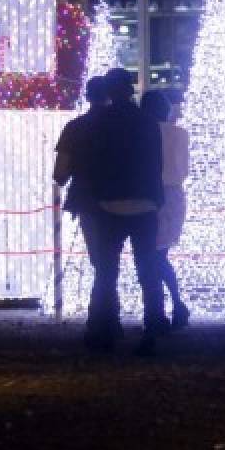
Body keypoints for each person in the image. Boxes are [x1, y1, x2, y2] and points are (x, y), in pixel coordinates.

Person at [90, 67, 166, 355]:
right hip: (144, 203)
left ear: (109, 91)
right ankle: (151, 330)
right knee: (148, 269)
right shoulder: (147, 122)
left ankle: (105, 329)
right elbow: (155, 163)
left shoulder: (102, 122)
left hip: (109, 203)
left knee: (107, 271)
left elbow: (96, 162)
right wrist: (156, 199)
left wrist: (97, 195)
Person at [52, 77, 109, 342]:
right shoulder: (120, 126)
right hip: (125, 197)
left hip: (88, 199)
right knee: (113, 260)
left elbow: (60, 173)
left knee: (101, 261)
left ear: (88, 97)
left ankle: (100, 319)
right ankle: (110, 317)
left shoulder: (75, 128)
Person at [141, 89, 190, 329]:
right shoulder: (180, 134)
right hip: (176, 195)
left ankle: (171, 306)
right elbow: (184, 168)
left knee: (154, 256)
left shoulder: (145, 133)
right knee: (160, 255)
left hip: (152, 194)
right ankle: (176, 306)